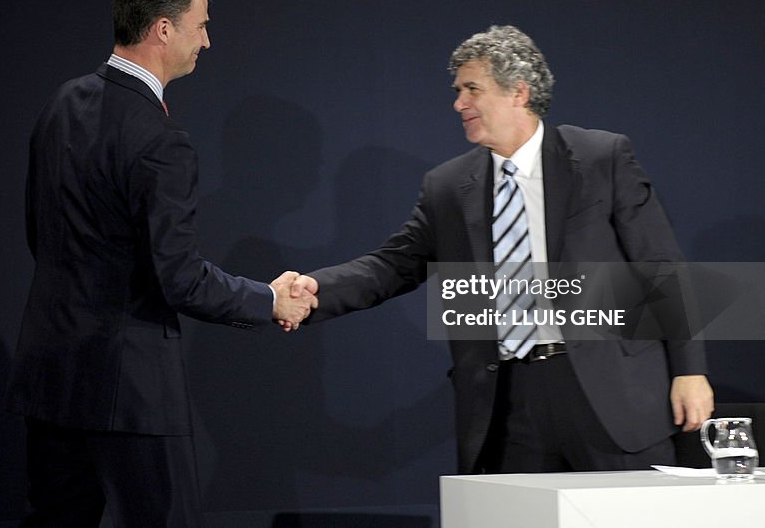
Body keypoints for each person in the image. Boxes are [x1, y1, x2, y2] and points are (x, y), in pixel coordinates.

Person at [288, 25, 713, 474]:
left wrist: (689, 369)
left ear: (519, 92)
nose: (458, 104)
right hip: (509, 403)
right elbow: (392, 264)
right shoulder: (448, 187)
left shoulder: (599, 158)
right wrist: (317, 287)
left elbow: (660, 266)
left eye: (472, 89)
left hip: (611, 396)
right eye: (457, 91)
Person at [5, 0, 316, 527]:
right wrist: (269, 300)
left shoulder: (62, 105)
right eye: (200, 25)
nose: (207, 40)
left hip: (51, 379)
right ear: (163, 29)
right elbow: (179, 277)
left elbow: (40, 235)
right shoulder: (160, 138)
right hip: (131, 392)